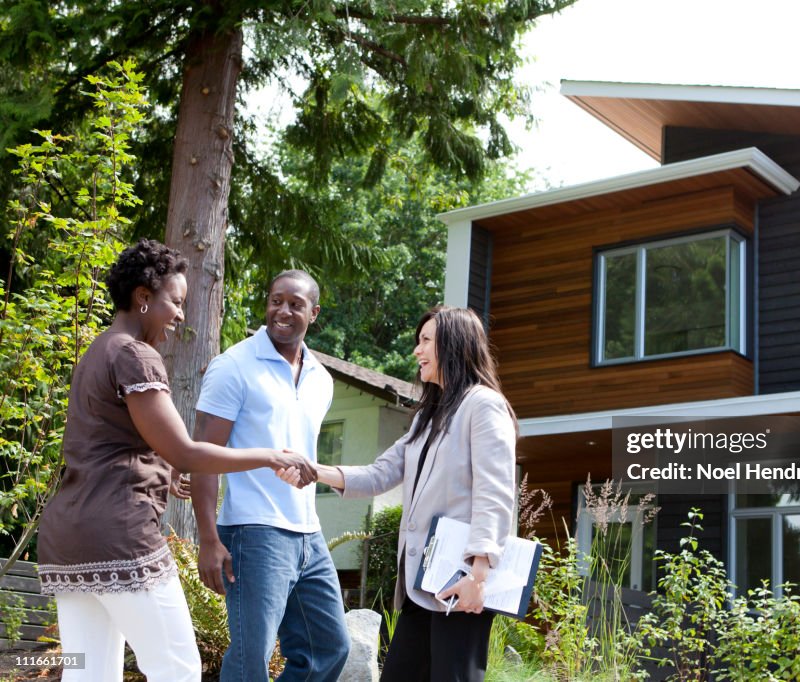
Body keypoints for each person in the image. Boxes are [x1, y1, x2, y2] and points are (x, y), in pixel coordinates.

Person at [36, 239, 317, 682]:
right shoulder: (135, 355)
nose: (182, 315)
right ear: (143, 298)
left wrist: (162, 469)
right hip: (119, 535)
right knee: (179, 670)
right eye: (176, 301)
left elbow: (108, 441)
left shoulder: (98, 350)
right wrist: (269, 455)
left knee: (89, 674)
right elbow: (186, 451)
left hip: (69, 538)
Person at [278, 305, 517, 682]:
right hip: (422, 584)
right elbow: (380, 473)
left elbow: (496, 492)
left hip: (461, 582)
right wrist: (314, 471)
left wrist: (479, 575)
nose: (416, 351)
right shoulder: (429, 416)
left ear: (452, 345)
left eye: (425, 341)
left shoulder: (483, 406)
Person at [190, 269, 350, 682]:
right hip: (252, 531)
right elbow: (204, 456)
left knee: (329, 647)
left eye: (295, 304)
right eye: (276, 300)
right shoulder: (234, 366)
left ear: (313, 313)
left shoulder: (322, 379)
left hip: (307, 533)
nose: (283, 310)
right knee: (250, 659)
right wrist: (208, 539)